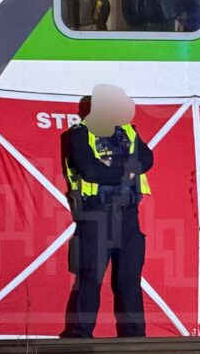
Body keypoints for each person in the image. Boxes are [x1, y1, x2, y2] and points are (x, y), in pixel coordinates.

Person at [64, 85, 153, 337]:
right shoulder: (79, 135)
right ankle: (79, 337)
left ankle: (135, 340)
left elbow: (147, 160)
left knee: (129, 282)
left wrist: (111, 168)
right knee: (90, 278)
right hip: (97, 216)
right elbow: (90, 171)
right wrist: (127, 170)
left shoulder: (128, 131)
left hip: (128, 216)